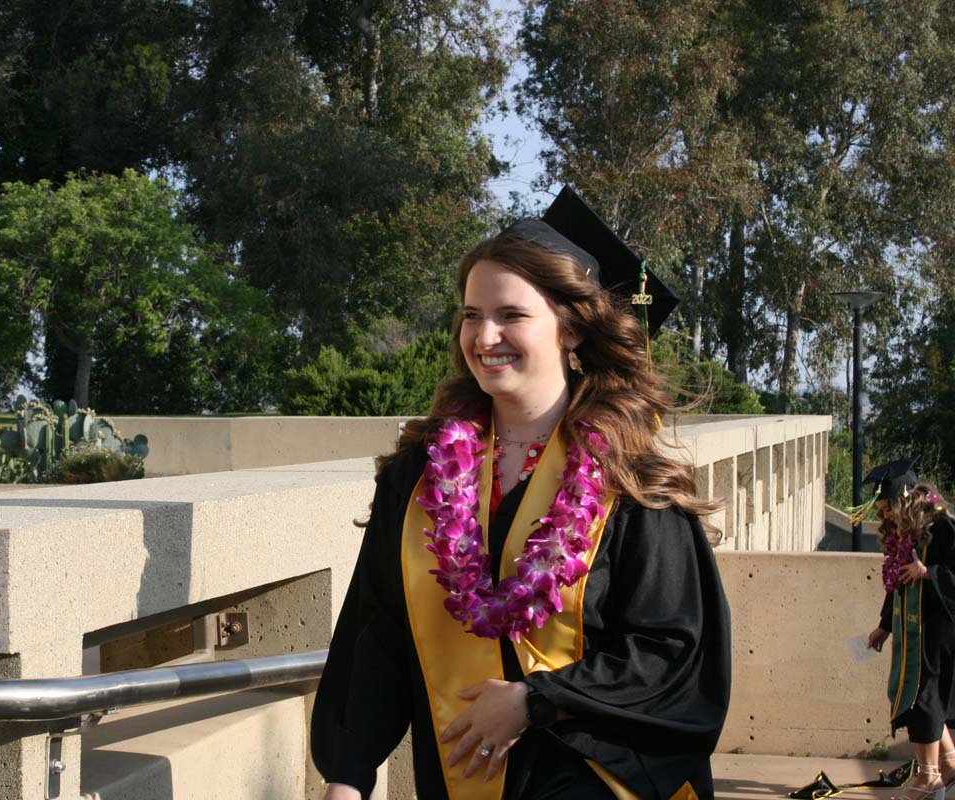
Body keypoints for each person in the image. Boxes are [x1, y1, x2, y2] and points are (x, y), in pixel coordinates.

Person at [311, 188, 732, 800]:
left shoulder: (632, 482)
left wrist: (537, 702)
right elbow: (374, 632)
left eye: (511, 315)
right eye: (471, 314)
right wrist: (347, 775)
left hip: (592, 780)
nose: (484, 337)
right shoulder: (420, 478)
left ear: (572, 331)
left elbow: (674, 655)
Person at [864, 458, 955, 800]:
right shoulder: (907, 534)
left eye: (887, 506)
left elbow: (945, 572)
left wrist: (928, 572)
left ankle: (929, 779)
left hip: (940, 630)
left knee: (925, 697)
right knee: (921, 697)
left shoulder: (942, 526)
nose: (884, 514)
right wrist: (884, 626)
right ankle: (948, 763)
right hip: (915, 629)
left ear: (905, 500)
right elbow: (898, 584)